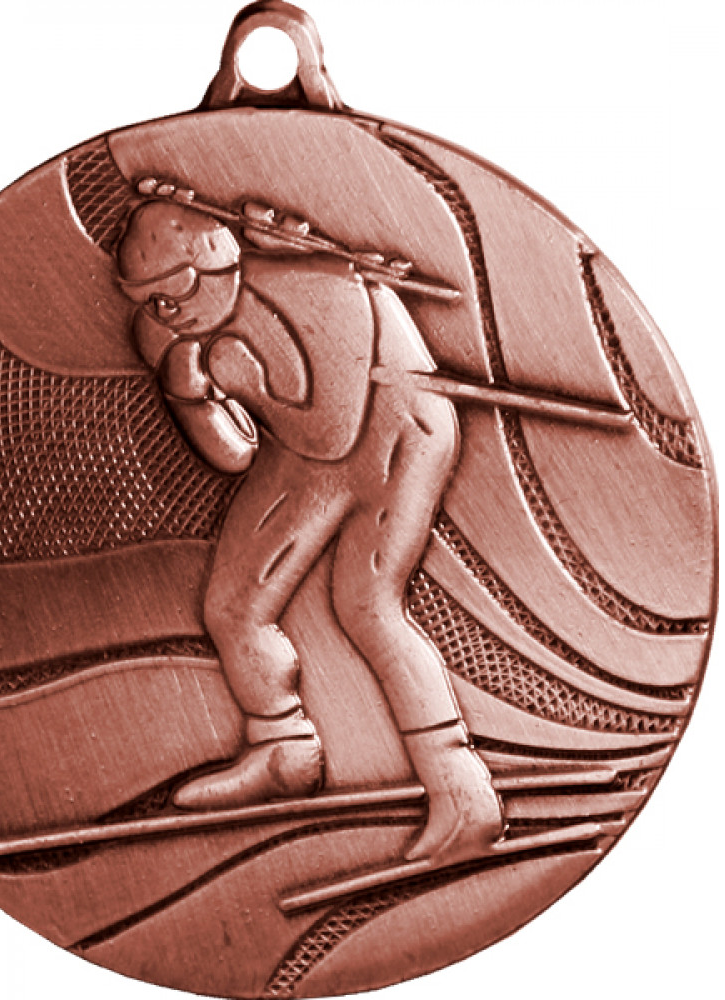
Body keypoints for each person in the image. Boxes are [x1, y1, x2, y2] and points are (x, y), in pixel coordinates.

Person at [116, 194, 503, 866]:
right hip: (301, 448)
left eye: (177, 290)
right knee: (233, 604)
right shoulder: (165, 332)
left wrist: (235, 368)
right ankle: (282, 750)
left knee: (367, 604)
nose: (166, 311)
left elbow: (331, 429)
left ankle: (463, 793)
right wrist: (191, 396)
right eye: (149, 299)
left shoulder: (319, 288)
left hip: (397, 423)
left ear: (220, 262)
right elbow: (234, 455)